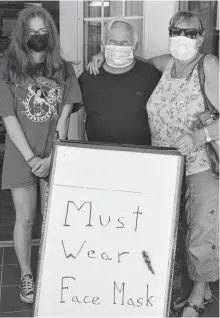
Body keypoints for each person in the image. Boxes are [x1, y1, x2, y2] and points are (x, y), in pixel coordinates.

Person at [87, 11, 219, 318]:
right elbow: (127, 58)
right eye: (178, 30)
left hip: (200, 164)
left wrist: (200, 136)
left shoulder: (209, 66)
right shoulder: (165, 64)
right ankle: (202, 285)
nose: (184, 37)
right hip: (163, 166)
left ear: (201, 37)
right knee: (175, 228)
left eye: (191, 32)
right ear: (170, 32)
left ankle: (199, 295)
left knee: (202, 228)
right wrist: (102, 55)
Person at [0, 6, 82, 304]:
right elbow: (8, 118)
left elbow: (65, 113)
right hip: (22, 155)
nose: (38, 37)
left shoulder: (63, 67)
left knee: (53, 218)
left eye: (43, 32)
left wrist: (53, 155)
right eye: (32, 32)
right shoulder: (8, 68)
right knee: (25, 217)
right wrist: (33, 159)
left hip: (54, 154)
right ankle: (26, 275)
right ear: (22, 34)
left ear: (51, 33)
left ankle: (53, 271)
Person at [79, 18, 161, 146]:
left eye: (124, 42)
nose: (118, 47)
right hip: (98, 157)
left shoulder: (150, 75)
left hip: (141, 157)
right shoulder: (89, 76)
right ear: (103, 44)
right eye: (112, 41)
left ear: (135, 46)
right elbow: (67, 108)